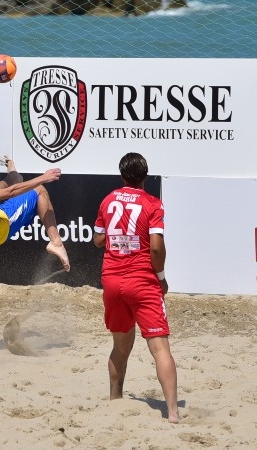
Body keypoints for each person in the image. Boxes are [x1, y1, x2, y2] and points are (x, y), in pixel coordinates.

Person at [93, 152, 180, 423]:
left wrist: (116, 239)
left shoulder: (108, 200)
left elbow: (97, 240)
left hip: (112, 279)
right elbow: (156, 246)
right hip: (141, 281)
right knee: (160, 349)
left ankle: (115, 401)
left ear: (122, 175)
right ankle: (174, 413)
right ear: (145, 176)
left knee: (120, 346)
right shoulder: (153, 203)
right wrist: (162, 276)